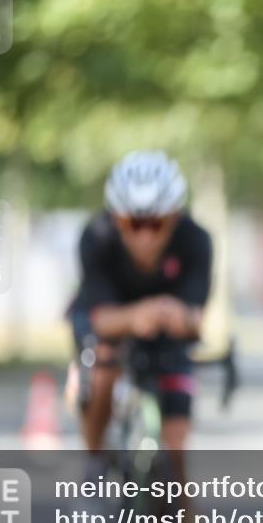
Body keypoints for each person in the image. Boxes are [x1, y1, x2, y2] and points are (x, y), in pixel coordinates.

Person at [65, 150, 212, 467]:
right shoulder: (96, 237)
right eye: (133, 223)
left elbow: (195, 319)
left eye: (156, 224)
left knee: (176, 451)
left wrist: (178, 316)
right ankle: (94, 466)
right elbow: (100, 318)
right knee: (102, 364)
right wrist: (138, 315)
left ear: (173, 218)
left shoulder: (196, 240)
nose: (144, 235)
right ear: (117, 219)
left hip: (166, 337)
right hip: (106, 328)